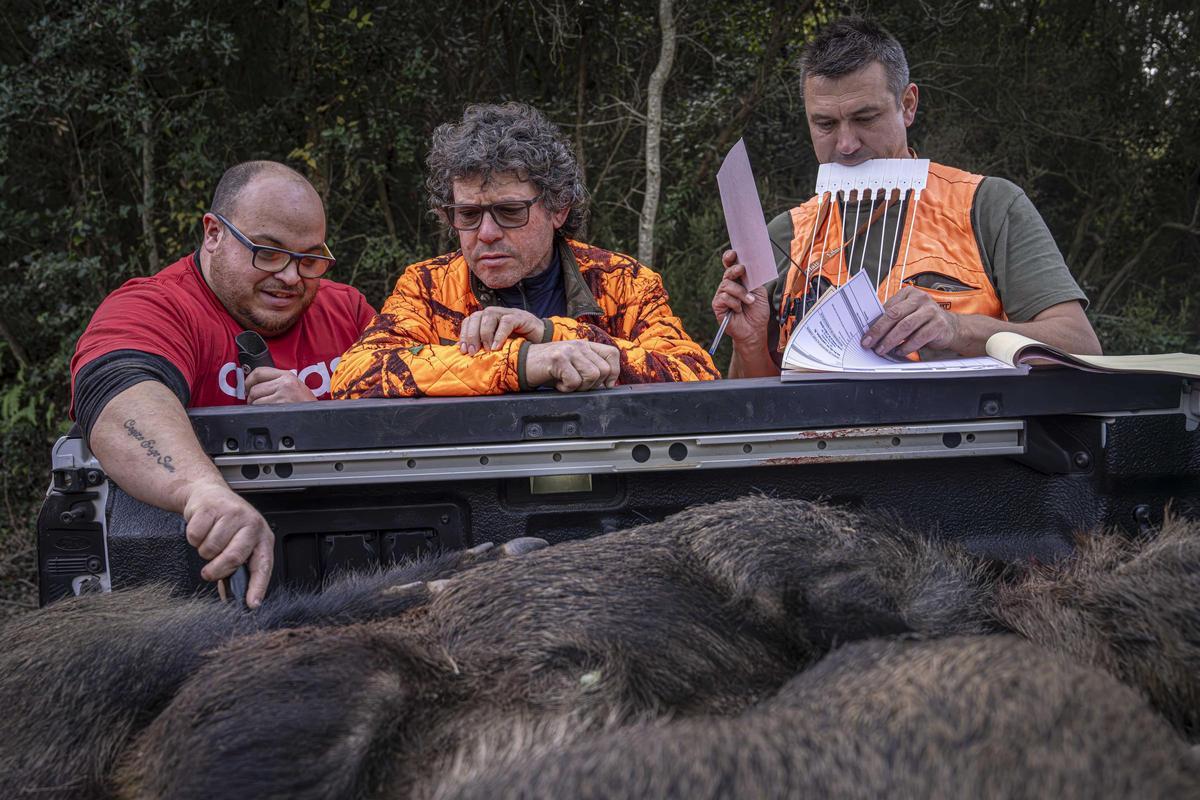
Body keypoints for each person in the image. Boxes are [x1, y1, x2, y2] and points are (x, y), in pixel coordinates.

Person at [712, 17, 1102, 378]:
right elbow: (751, 402)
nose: (846, 144)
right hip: (816, 450)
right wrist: (748, 343)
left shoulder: (987, 206)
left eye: (866, 118)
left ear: (908, 105)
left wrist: (958, 328)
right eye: (825, 124)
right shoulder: (784, 234)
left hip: (961, 447)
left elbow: (1082, 347)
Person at [70, 161, 375, 607]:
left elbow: (417, 407)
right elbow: (117, 390)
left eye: (309, 259)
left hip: (350, 570)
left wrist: (320, 416)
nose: (291, 277)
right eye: (268, 252)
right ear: (213, 233)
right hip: (198, 589)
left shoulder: (346, 311)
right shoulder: (157, 305)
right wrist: (201, 491)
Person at [331, 103, 718, 399]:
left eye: (510, 211)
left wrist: (551, 333)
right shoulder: (427, 287)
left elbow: (696, 374)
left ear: (558, 208)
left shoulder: (622, 281)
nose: (485, 234)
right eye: (467, 214)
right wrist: (522, 362)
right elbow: (354, 376)